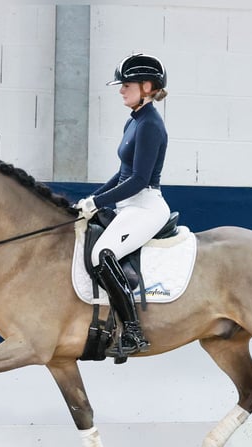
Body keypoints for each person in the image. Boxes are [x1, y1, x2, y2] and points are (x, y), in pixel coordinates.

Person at [75, 53, 171, 357]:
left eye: (126, 84)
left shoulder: (150, 125)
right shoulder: (134, 121)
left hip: (146, 206)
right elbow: (122, 174)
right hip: (128, 205)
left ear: (146, 86)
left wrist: (99, 201)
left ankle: (132, 332)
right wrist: (92, 198)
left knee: (103, 254)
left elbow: (139, 179)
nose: (120, 90)